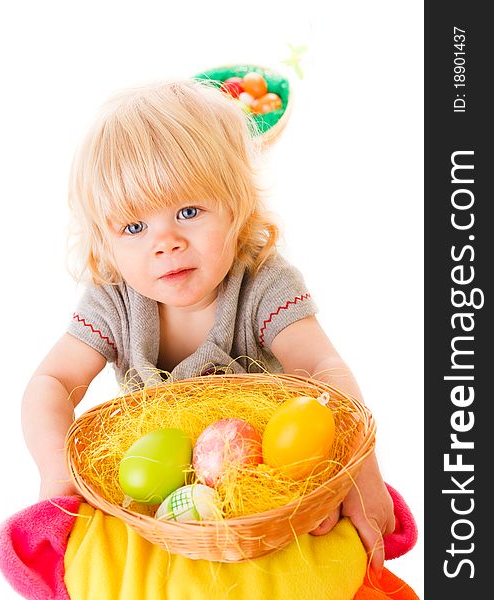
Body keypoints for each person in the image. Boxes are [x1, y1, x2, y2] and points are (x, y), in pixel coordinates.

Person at [21, 78, 395, 575]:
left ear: (237, 207)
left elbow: (323, 369)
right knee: (86, 564)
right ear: (104, 243)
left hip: (264, 500)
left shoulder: (262, 283)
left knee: (326, 559)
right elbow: (51, 384)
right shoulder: (114, 299)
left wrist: (358, 470)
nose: (166, 242)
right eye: (134, 228)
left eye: (189, 211)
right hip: (167, 511)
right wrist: (57, 473)